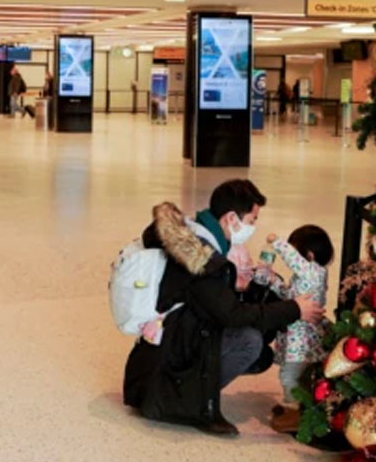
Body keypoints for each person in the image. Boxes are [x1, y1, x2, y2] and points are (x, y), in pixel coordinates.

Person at [123, 184, 323, 437]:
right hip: (165, 367)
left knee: (258, 345)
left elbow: (215, 303)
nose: (253, 227)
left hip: (167, 344)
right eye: (252, 220)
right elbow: (232, 315)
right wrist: (294, 309)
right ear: (231, 218)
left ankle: (190, 390)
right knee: (249, 341)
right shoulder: (202, 258)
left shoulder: (196, 234)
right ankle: (190, 403)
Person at [265, 225, 334, 432]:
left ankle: (293, 412)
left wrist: (278, 242)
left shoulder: (314, 272)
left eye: (296, 251)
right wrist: (273, 281)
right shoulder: (304, 279)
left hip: (302, 341)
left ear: (309, 255)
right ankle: (296, 405)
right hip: (296, 337)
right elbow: (289, 297)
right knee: (299, 376)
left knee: (289, 375)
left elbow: (294, 260)